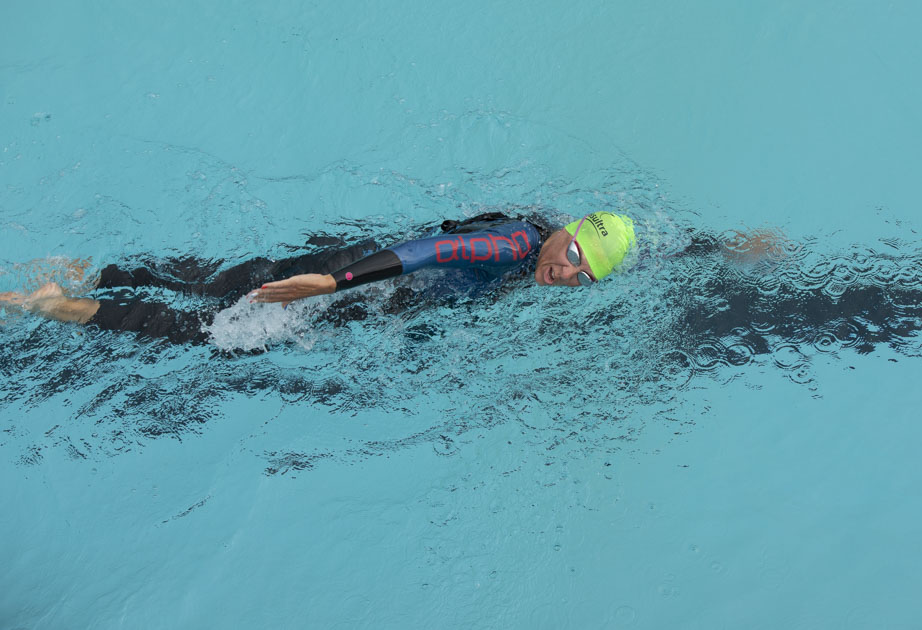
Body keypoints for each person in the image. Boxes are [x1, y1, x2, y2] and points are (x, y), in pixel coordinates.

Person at [0, 211, 643, 345]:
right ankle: (59, 305)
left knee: (216, 285)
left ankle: (99, 274)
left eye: (583, 277)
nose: (566, 272)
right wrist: (333, 286)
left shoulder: (535, 250)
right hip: (356, 279)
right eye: (574, 252)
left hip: (361, 272)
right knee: (217, 333)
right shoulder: (515, 243)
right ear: (567, 228)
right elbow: (428, 250)